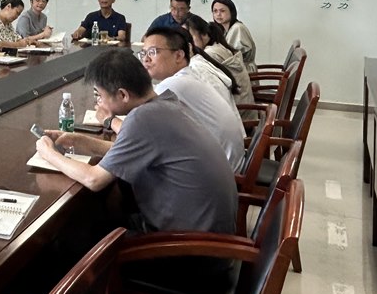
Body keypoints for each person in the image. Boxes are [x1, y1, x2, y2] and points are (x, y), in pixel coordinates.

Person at [34, 48, 237, 238]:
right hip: (207, 233)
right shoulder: (166, 102)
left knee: (78, 231)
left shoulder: (143, 118)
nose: (99, 103)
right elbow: (129, 151)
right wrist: (79, 141)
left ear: (123, 94)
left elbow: (94, 179)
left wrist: (50, 154)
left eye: (99, 95)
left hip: (186, 248)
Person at [137, 27, 245, 171]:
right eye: (143, 53)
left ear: (178, 55)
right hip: (226, 162)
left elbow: (136, 125)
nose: (146, 59)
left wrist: (110, 120)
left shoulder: (174, 85)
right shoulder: (189, 75)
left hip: (220, 172)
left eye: (153, 52)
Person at [183, 13, 252, 107]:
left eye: (189, 37)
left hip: (238, 109)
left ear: (204, 35)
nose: (187, 43)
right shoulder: (218, 45)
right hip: (243, 105)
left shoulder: (210, 54)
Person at [212, 0, 257, 72]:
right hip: (234, 69)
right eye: (215, 11)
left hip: (242, 71)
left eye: (222, 11)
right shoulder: (224, 30)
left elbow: (231, 56)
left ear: (232, 12)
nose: (218, 14)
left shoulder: (237, 28)